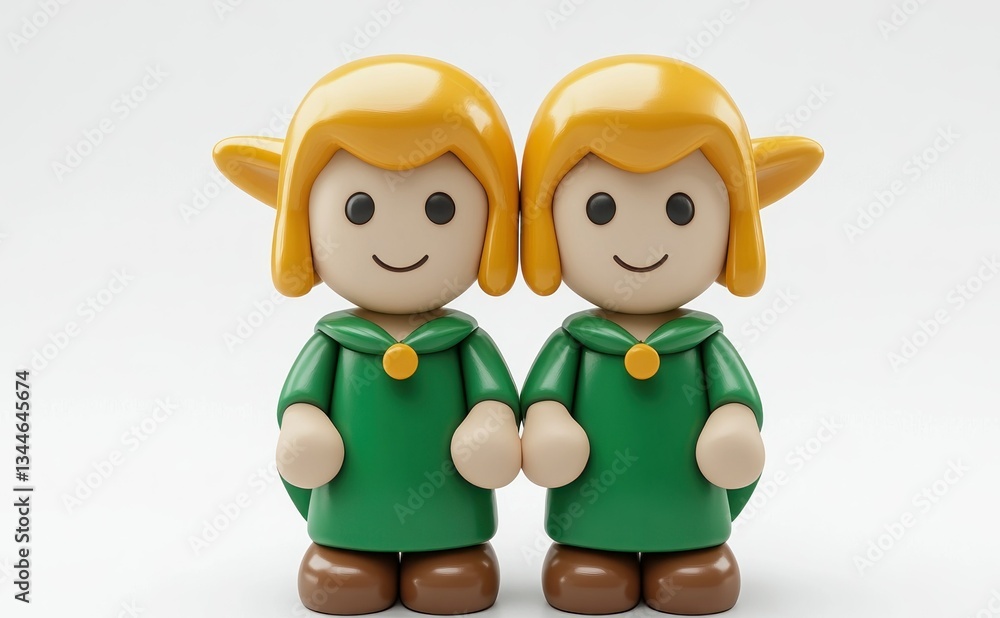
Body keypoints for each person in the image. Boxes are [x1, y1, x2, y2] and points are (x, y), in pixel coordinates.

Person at [213, 55, 521, 615]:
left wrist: (492, 424)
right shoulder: (334, 345)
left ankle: (447, 552)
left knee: (453, 577)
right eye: (358, 208)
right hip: (350, 513)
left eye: (440, 207)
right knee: (343, 577)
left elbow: (495, 401)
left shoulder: (462, 345)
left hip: (450, 517)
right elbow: (302, 403)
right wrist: (306, 428)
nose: (400, 239)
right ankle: (350, 554)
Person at [518, 55, 824, 615]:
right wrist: (548, 424)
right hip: (590, 518)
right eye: (601, 208)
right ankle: (594, 553)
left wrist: (732, 427)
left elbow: (735, 401)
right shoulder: (576, 346)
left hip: (690, 516)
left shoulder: (703, 346)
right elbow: (543, 401)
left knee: (699, 579)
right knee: (587, 579)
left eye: (681, 208)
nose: (642, 240)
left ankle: (689, 553)